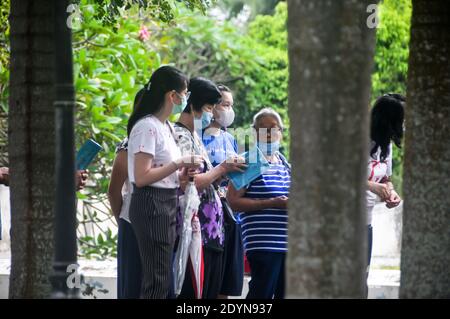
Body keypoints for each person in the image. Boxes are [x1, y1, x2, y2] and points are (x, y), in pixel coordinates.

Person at [126, 66, 202, 299]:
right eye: (185, 93)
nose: (186, 98)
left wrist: (180, 176)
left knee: (162, 277)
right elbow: (141, 177)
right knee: (157, 279)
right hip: (152, 203)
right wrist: (179, 163)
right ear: (172, 96)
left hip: (166, 201)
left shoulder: (165, 127)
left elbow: (160, 171)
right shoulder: (147, 126)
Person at [174, 77, 247, 299]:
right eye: (208, 107)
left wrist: (228, 172)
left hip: (213, 230)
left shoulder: (195, 136)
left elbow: (208, 178)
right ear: (193, 103)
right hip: (197, 230)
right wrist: (223, 168)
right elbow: (190, 182)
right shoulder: (180, 136)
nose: (210, 113)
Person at [227, 108, 290, 299]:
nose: (269, 134)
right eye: (263, 129)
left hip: (288, 243)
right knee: (261, 294)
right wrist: (272, 202)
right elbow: (234, 201)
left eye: (273, 128)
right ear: (254, 132)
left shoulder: (284, 163)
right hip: (263, 243)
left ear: (281, 131)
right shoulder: (250, 160)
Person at [202, 84, 244, 298]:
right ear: (212, 107)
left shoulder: (229, 138)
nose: (230, 110)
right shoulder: (197, 136)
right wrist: (221, 171)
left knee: (226, 282)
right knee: (209, 279)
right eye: (225, 105)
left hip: (229, 214)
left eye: (231, 105)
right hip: (207, 216)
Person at [108, 89, 144, 299]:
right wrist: (123, 222)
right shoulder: (127, 145)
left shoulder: (169, 140)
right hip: (132, 222)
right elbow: (113, 191)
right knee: (132, 284)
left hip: (163, 223)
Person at [366, 94, 404, 281]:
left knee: (361, 278)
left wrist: (390, 192)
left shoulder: (385, 145)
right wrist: (372, 186)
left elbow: (386, 179)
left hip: (365, 221)